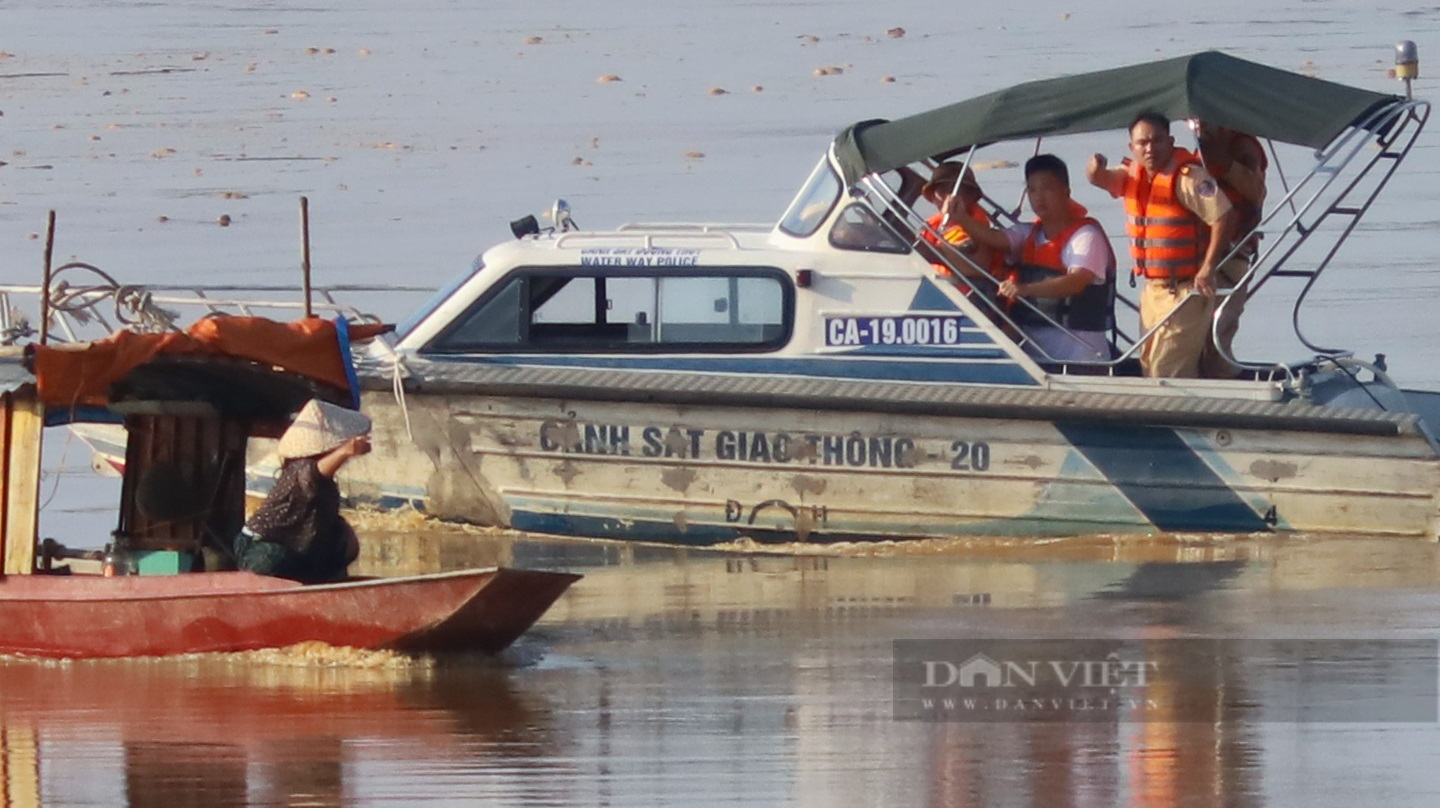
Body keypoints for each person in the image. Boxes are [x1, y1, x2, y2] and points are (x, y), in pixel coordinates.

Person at [1087, 112, 1236, 378]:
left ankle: (1177, 416)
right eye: (1142, 143)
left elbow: (1223, 215)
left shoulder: (1188, 177)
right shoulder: (1131, 174)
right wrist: (1095, 168)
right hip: (1153, 292)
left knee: (1165, 370)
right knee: (1150, 365)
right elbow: (1101, 179)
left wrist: (1208, 267)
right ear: (1131, 148)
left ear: (1170, 142)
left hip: (1185, 289)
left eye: (1156, 141)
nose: (1150, 148)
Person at [944, 154, 1115, 363]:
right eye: (1033, 190)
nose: (1039, 197)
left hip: (1080, 356)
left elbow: (1076, 282)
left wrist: (1025, 289)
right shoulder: (1027, 233)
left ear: (1066, 192)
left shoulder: (1086, 236)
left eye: (1048, 189)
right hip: (1036, 356)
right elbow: (996, 238)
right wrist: (961, 218)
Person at [234, 399, 373, 583]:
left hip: (299, 548)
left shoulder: (326, 484)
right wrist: (345, 451)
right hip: (260, 546)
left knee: (341, 536)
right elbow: (314, 473)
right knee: (273, 558)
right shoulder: (298, 470)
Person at [1194, 120, 1268, 378]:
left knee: (1216, 335)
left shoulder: (1242, 144)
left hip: (1230, 256)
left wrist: (1224, 163)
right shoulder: (1197, 144)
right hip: (1199, 257)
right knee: (1195, 338)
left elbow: (1256, 190)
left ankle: (1229, 388)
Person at [918, 162, 1008, 302]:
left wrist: (930, 253)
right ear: (934, 196)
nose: (950, 197)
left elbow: (977, 264)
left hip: (969, 301)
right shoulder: (931, 225)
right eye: (942, 191)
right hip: (935, 294)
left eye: (957, 190)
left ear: (971, 196)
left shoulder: (977, 227)